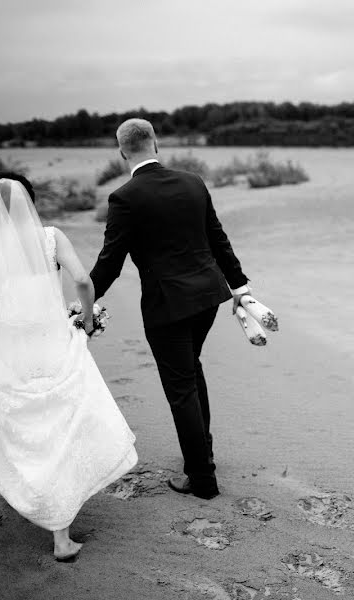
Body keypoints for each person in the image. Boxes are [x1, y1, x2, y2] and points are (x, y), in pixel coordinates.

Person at [0, 172, 138, 561]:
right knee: (60, 422)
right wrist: (85, 319)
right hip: (52, 341)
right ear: (30, 200)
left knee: (18, 423)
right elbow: (83, 280)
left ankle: (29, 493)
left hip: (9, 344)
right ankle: (60, 534)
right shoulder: (51, 237)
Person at [90, 119, 250, 500]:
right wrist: (240, 285)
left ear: (122, 152)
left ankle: (202, 479)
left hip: (168, 307)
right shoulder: (193, 182)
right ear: (156, 144)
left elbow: (110, 262)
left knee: (181, 388)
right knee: (190, 372)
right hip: (209, 297)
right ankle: (203, 455)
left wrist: (84, 303)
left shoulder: (124, 198)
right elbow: (217, 237)